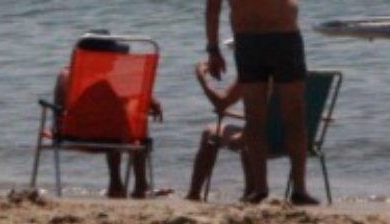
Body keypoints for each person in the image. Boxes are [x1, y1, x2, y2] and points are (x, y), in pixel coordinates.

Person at [203, 0, 384, 204]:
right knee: (263, 116)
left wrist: (214, 48)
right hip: (260, 42)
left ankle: (296, 188)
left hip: (274, 39)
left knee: (288, 114)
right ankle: (264, 188)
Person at [47, 33, 164, 199]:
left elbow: (64, 109)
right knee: (131, 117)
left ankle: (117, 183)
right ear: (97, 57)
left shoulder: (66, 76)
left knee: (111, 118)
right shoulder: (104, 83)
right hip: (108, 137)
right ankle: (140, 184)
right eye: (111, 55)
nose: (115, 58)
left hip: (70, 135)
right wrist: (145, 102)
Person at [184, 57, 247, 201]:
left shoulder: (253, 71)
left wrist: (202, 77)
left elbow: (221, 102)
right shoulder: (295, 76)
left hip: (255, 139)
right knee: (254, 127)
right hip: (289, 139)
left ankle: (194, 194)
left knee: (209, 132)